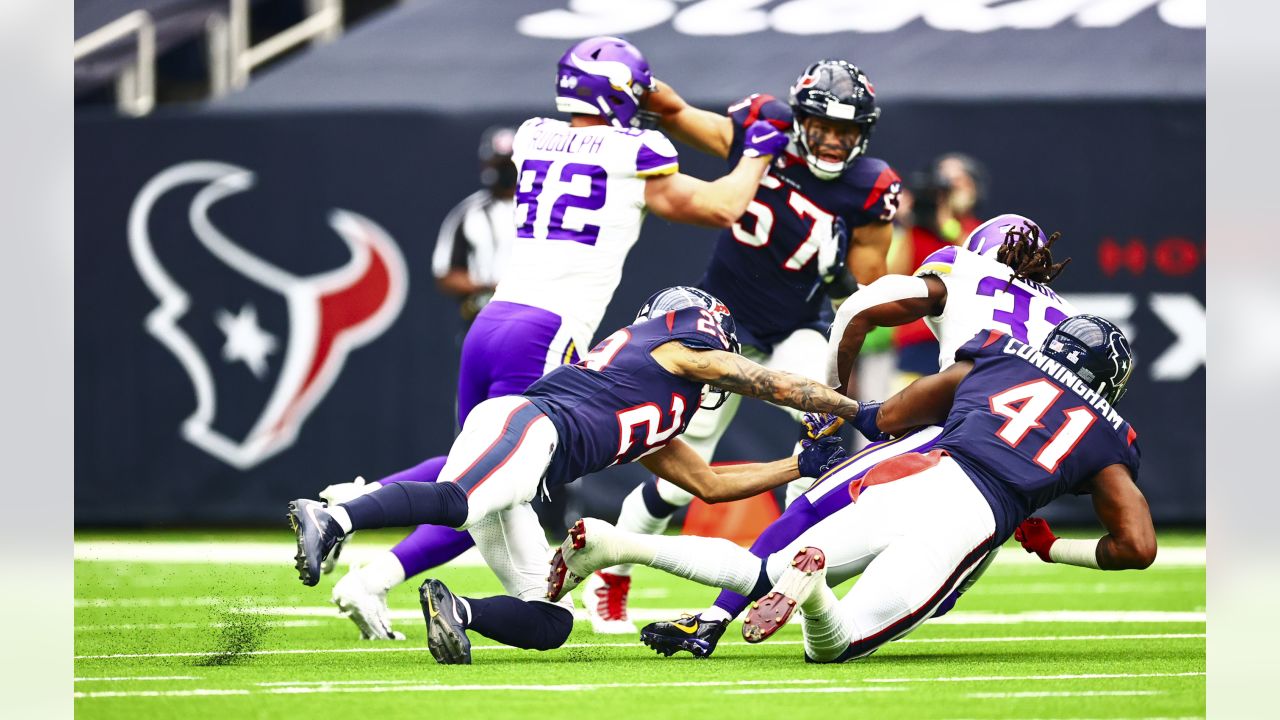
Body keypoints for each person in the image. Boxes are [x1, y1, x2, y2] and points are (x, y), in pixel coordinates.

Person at [313, 35, 792, 641]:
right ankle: (353, 518)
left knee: (481, 470)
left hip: (493, 320)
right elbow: (723, 206)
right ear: (621, 94)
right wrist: (759, 151)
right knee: (485, 483)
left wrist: (657, 100)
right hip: (546, 329)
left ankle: (373, 548)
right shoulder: (634, 148)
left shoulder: (535, 134)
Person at [287, 287, 857, 664]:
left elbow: (708, 484)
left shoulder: (660, 405)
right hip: (530, 426)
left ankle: (458, 612)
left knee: (550, 617)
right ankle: (336, 516)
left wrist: (797, 465)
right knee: (459, 503)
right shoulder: (673, 351)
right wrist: (856, 411)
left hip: (531, 460)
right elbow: (772, 384)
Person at [549, 314, 1151, 664]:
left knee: (762, 571)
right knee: (832, 648)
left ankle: (619, 545)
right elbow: (1137, 546)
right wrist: (1054, 549)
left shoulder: (1002, 357)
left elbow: (890, 418)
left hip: (909, 474)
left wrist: (861, 413)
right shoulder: (1106, 433)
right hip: (971, 518)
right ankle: (812, 594)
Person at [636, 214, 1081, 657]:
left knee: (811, 510)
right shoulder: (1064, 317)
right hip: (1013, 466)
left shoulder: (963, 268)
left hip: (950, 433)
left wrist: (831, 397)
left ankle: (719, 616)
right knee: (940, 592)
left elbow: (858, 308)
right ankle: (817, 595)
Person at [592, 59, 902, 632]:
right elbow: (679, 113)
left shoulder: (872, 186)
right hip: (717, 331)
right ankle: (614, 570)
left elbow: (868, 282)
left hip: (794, 330)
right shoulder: (769, 130)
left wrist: (839, 273)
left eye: (847, 132)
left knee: (822, 429)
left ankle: (794, 577)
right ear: (800, 119)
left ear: (865, 133)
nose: (833, 141)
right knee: (678, 484)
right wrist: (632, 80)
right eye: (822, 128)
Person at [889, 153, 986, 390]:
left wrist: (947, 226)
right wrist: (905, 222)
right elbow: (893, 276)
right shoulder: (916, 230)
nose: (950, 189)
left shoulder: (978, 230)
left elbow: (980, 267)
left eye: (958, 181)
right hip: (916, 340)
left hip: (961, 340)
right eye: (943, 182)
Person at [431, 126, 518, 324]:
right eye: (501, 166)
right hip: (483, 315)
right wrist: (490, 288)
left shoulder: (542, 209)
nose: (508, 172)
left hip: (535, 312)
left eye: (512, 165)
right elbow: (446, 274)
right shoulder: (468, 213)